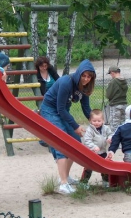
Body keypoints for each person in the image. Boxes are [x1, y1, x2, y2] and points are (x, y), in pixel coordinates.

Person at [40, 59, 96, 194]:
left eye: (89, 76)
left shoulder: (84, 88)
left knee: (75, 142)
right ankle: (63, 184)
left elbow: (86, 108)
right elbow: (60, 108)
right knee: (61, 142)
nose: (86, 79)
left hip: (62, 111)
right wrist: (75, 126)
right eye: (84, 75)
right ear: (79, 74)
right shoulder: (66, 82)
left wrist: (96, 124)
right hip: (50, 109)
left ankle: (66, 177)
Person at [81, 109, 113, 188]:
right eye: (94, 121)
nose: (96, 123)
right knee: (88, 167)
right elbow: (87, 140)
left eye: (99, 121)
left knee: (105, 167)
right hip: (92, 152)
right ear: (90, 121)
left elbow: (111, 134)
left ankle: (106, 181)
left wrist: (110, 138)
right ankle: (83, 183)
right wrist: (93, 146)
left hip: (102, 151)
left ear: (103, 120)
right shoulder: (90, 130)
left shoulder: (105, 128)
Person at [35, 56, 60, 147]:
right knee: (46, 118)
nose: (44, 68)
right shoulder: (36, 74)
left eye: (46, 66)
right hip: (44, 98)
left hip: (55, 97)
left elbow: (59, 80)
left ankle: (58, 136)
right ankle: (44, 139)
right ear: (38, 66)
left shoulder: (50, 69)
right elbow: (37, 89)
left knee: (57, 116)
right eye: (42, 66)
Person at [105, 66, 128, 133]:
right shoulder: (124, 81)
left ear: (112, 73)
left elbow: (108, 95)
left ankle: (116, 141)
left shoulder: (113, 82)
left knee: (114, 126)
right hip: (124, 104)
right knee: (123, 124)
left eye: (110, 74)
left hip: (115, 105)